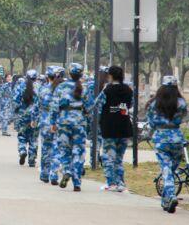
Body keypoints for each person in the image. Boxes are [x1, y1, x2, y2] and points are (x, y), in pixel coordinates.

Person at [146, 75, 187, 213]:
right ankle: (166, 200)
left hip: (161, 138)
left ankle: (170, 195)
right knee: (171, 170)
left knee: (166, 170)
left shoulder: (154, 103)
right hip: (177, 138)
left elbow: (151, 122)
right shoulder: (181, 103)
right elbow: (182, 118)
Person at [95, 66, 133, 192]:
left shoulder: (107, 90)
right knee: (119, 158)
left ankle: (111, 183)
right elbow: (131, 104)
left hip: (110, 127)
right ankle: (121, 183)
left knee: (108, 156)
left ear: (110, 76)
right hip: (124, 127)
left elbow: (98, 104)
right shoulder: (128, 89)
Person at [51, 63, 87, 191]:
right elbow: (89, 107)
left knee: (64, 150)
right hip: (79, 123)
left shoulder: (60, 87)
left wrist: (53, 122)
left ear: (69, 73)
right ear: (81, 74)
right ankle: (77, 183)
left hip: (63, 122)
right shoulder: (84, 88)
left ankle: (67, 170)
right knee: (78, 151)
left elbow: (54, 106)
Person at [39, 66, 64, 184]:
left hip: (45, 123)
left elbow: (36, 106)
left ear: (47, 77)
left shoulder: (43, 89)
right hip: (58, 123)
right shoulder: (63, 90)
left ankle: (44, 173)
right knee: (56, 149)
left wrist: (34, 119)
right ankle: (54, 174)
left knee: (45, 149)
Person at [13, 69, 40, 166]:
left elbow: (15, 100)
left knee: (22, 135)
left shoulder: (20, 86)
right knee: (33, 138)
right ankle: (32, 160)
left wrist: (17, 110)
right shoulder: (39, 87)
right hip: (35, 116)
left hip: (23, 115)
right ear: (36, 77)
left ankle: (22, 150)